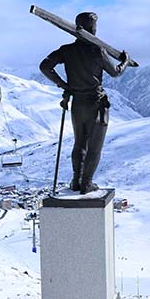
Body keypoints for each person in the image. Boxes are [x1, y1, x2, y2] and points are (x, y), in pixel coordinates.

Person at [40, 12, 130, 194]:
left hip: (77, 103)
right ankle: (86, 183)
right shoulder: (98, 51)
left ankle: (76, 181)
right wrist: (126, 61)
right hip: (96, 103)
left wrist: (64, 85)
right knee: (94, 147)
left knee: (79, 143)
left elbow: (44, 66)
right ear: (92, 29)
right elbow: (115, 72)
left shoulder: (66, 50)